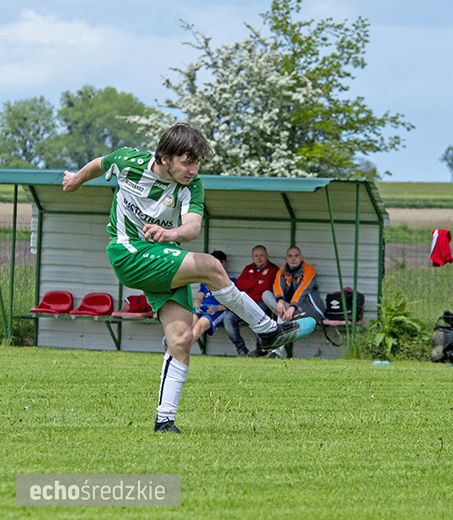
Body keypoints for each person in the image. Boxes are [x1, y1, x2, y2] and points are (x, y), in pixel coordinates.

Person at [62, 122, 316, 434]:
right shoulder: (129, 161)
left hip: (162, 259)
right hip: (128, 252)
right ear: (164, 157)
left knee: (182, 340)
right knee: (210, 266)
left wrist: (170, 233)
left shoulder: (190, 187)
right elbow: (100, 164)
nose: (193, 169)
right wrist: (76, 179)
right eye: (186, 161)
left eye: (197, 162)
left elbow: (192, 227)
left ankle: (164, 421)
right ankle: (267, 331)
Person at [262, 246, 326, 358]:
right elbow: (277, 286)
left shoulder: (308, 270)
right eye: (290, 256)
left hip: (310, 312)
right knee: (266, 294)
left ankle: (277, 352)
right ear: (286, 258)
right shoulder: (282, 271)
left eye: (296, 256)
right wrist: (280, 301)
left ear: (301, 258)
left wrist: (292, 308)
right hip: (288, 311)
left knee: (281, 314)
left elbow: (302, 290)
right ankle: (278, 351)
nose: (293, 259)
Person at [223, 245, 279, 357]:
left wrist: (250, 286)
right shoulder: (248, 268)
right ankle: (241, 349)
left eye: (262, 255)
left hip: (262, 302)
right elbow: (239, 284)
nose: (259, 258)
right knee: (228, 319)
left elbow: (265, 287)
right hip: (245, 302)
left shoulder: (273, 269)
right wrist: (256, 282)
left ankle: (260, 351)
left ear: (267, 256)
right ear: (252, 257)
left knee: (259, 319)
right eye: (256, 256)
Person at [190, 250, 236, 349]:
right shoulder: (205, 280)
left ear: (225, 263)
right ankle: (174, 346)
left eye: (220, 262)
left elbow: (234, 303)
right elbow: (198, 297)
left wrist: (217, 308)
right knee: (191, 323)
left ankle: (179, 350)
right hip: (203, 307)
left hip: (216, 310)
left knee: (198, 328)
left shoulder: (231, 281)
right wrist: (197, 303)